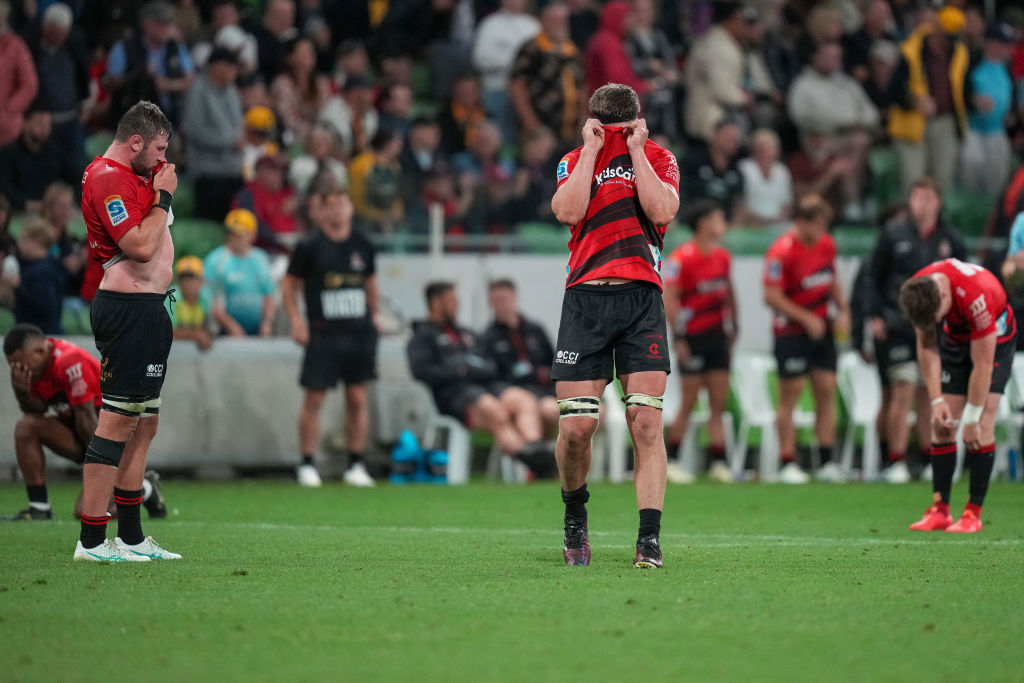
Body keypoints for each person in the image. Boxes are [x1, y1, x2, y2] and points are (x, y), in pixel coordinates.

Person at [549, 83, 680, 568]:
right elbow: (567, 211)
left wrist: (637, 150)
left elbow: (663, 211)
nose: (616, 135)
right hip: (585, 299)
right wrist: (590, 149)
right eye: (609, 128)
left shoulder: (660, 158)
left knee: (645, 421)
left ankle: (649, 539)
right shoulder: (574, 159)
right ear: (593, 122)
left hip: (641, 299)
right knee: (579, 426)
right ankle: (575, 517)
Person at [77, 100, 181, 562]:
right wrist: (165, 198)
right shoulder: (107, 177)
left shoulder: (135, 177)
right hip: (128, 308)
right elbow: (139, 247)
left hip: (151, 308)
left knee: (144, 424)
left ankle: (133, 538)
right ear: (135, 141)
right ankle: (93, 542)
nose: (162, 160)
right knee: (118, 421)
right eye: (158, 148)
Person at [899, 258, 1017, 533]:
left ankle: (972, 515)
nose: (935, 322)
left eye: (937, 315)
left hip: (994, 340)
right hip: (957, 338)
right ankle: (940, 511)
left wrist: (973, 417)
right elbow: (927, 345)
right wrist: (937, 400)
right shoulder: (920, 291)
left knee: (982, 425)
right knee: (942, 424)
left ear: (943, 294)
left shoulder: (977, 295)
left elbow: (983, 364)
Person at [3, 324, 166, 520]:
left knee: (85, 512)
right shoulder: (36, 369)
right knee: (26, 426)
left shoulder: (69, 362)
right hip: (85, 435)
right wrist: (21, 391)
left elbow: (85, 417)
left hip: (112, 440)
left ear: (38, 351)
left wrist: (102, 468)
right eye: (12, 365)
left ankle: (144, 487)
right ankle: (39, 507)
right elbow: (37, 410)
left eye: (19, 363)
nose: (17, 369)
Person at [865, 177, 965, 483]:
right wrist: (874, 316)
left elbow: (962, 279)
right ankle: (895, 460)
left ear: (938, 202)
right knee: (902, 389)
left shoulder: (950, 239)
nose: (920, 203)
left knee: (928, 393)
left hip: (936, 329)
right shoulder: (892, 234)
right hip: (898, 325)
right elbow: (871, 276)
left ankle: (925, 458)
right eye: (915, 197)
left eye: (927, 197)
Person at [282, 186, 379, 488]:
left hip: (358, 333)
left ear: (351, 208)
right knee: (315, 396)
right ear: (321, 210)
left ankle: (356, 463)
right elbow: (289, 284)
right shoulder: (309, 246)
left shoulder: (363, 244)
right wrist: (297, 320)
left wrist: (374, 316)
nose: (337, 209)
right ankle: (307, 463)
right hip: (323, 333)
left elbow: (371, 283)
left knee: (358, 397)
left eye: (342, 203)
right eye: (331, 204)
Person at [407, 281, 555, 477]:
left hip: (488, 387)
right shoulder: (423, 336)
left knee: (521, 398)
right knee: (493, 410)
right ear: (435, 302)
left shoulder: (467, 334)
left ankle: (534, 446)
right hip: (455, 396)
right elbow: (423, 372)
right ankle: (537, 462)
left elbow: (490, 365)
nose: (457, 304)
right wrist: (459, 370)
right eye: (451, 300)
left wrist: (465, 368)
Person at [763, 194, 850, 484]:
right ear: (802, 222)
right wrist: (805, 318)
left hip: (822, 329)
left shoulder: (826, 244)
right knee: (791, 394)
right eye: (819, 225)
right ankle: (788, 461)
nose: (823, 231)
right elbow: (771, 296)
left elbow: (831, 278)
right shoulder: (781, 252)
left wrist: (844, 310)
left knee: (826, 388)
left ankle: (826, 461)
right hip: (791, 332)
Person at [662, 201, 736, 484]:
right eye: (718, 217)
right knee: (689, 401)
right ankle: (674, 460)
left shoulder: (723, 257)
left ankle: (718, 462)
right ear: (702, 223)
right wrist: (679, 338)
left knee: (718, 403)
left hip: (718, 336)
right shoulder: (683, 258)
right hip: (692, 338)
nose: (722, 222)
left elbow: (728, 293)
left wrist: (734, 323)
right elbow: (671, 299)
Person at [480, 279, 559, 433]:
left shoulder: (535, 330)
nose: (499, 305)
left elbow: (555, 363)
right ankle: (537, 452)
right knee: (548, 409)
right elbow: (494, 377)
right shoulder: (487, 337)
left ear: (514, 298)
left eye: (503, 299)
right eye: (494, 301)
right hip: (519, 393)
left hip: (549, 389)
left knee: (591, 412)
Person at [182, 46, 244, 223]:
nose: (235, 71)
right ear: (218, 67)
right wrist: (229, 142)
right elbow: (194, 131)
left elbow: (237, 125)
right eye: (231, 66)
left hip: (233, 171)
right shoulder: (198, 90)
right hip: (208, 174)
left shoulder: (231, 90)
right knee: (211, 224)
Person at [203, 208, 276, 337]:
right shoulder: (215, 260)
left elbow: (268, 295)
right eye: (231, 233)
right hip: (223, 332)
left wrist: (267, 322)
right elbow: (208, 298)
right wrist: (229, 324)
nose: (233, 238)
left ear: (253, 235)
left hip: (257, 332)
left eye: (239, 234)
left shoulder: (260, 258)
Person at [13, 218, 64, 334]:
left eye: (24, 240)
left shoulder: (43, 270)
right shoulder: (47, 265)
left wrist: (18, 286)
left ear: (37, 241)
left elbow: (43, 306)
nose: (20, 244)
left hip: (42, 334)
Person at [171, 256, 213, 350]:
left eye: (191, 278)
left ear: (201, 281)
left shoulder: (206, 298)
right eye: (183, 278)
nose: (186, 283)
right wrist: (196, 335)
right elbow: (167, 332)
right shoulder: (171, 298)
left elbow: (210, 329)